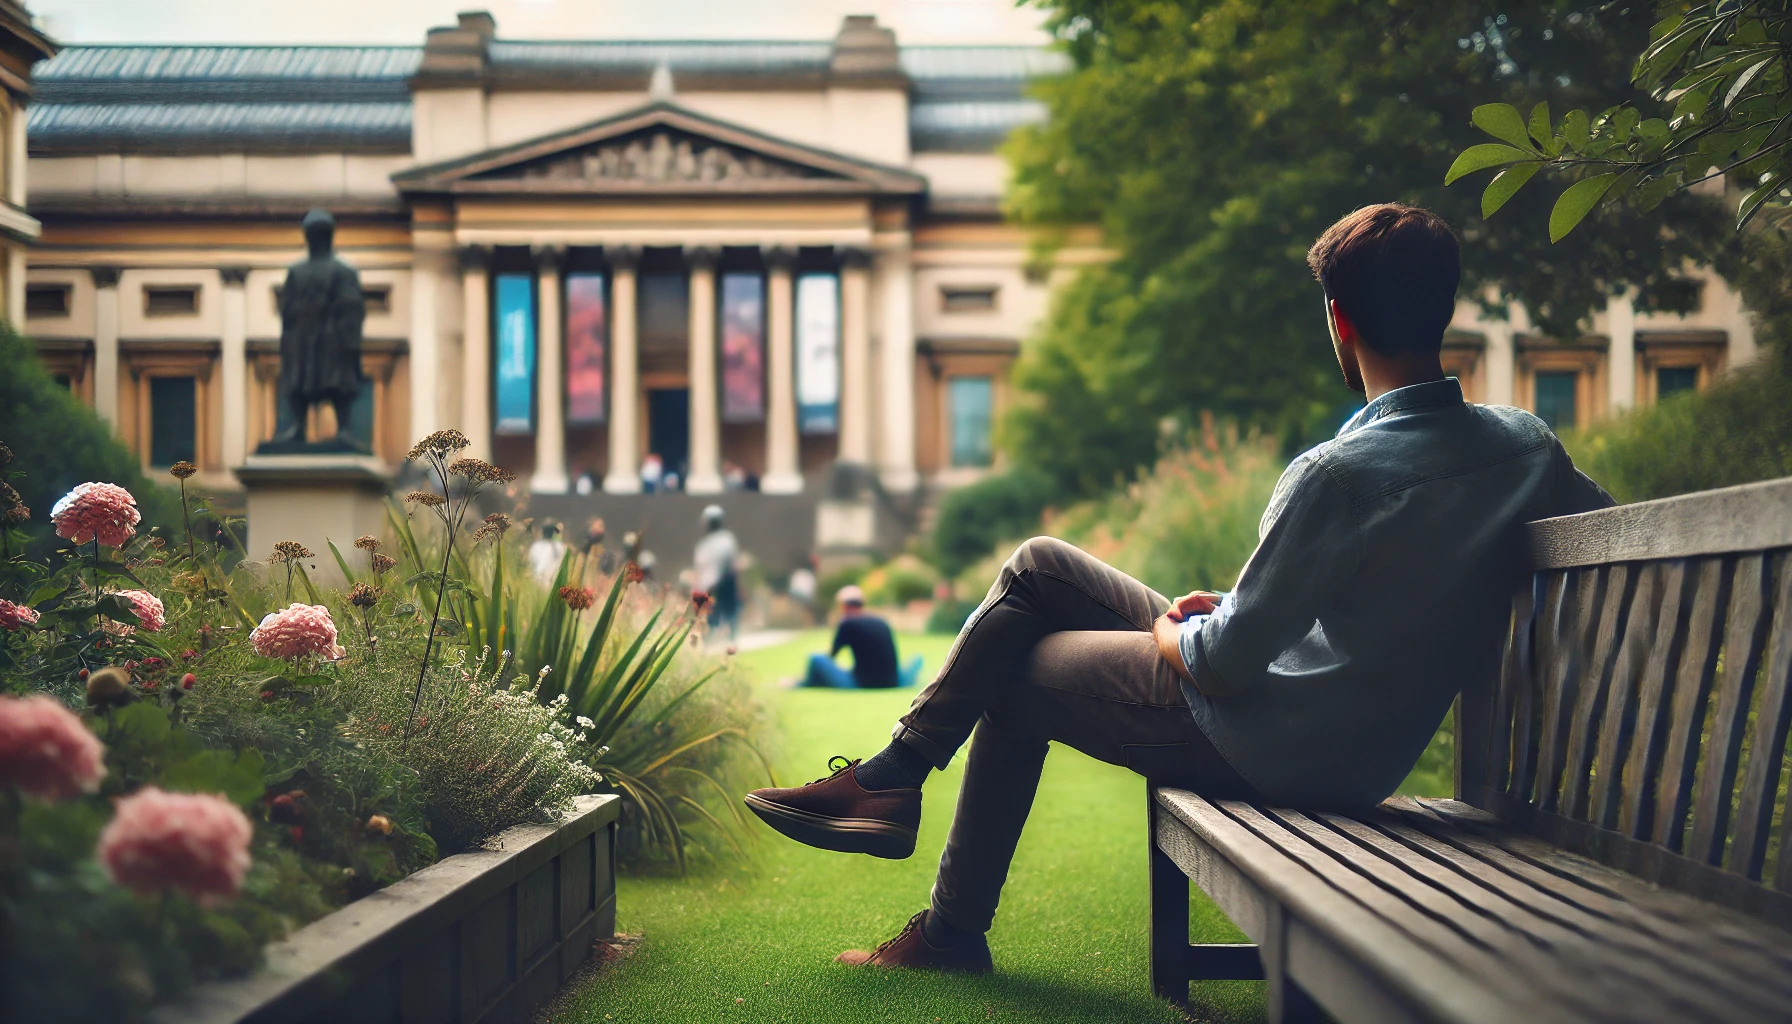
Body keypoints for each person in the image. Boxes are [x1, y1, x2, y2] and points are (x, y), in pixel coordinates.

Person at [743, 204, 1613, 973]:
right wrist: (1215, 618)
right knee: (1041, 564)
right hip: (1350, 741)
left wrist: (1175, 636)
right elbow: (1608, 529)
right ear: (1444, 309)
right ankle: (895, 779)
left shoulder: (1339, 474)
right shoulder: (1528, 446)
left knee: (1016, 662)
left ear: (1337, 318)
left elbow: (1227, 668)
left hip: (1271, 739)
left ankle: (937, 898)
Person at [798, 585, 925, 689]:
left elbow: (831, 657)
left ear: (843, 606)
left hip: (861, 683)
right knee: (917, 658)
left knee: (816, 658)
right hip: (893, 682)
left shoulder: (847, 623)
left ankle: (805, 683)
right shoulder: (881, 621)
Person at [694, 504, 742, 642]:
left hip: (718, 586)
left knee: (718, 619)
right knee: (722, 619)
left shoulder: (706, 545)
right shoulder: (725, 540)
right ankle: (726, 644)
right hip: (719, 586)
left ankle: (722, 644)